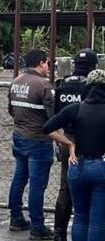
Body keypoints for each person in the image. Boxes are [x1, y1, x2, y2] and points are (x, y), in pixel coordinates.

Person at [43, 69, 105, 241]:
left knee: (80, 216)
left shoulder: (75, 108)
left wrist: (69, 143)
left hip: (77, 166)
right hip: (101, 166)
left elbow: (47, 128)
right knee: (98, 222)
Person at [6, 49, 55, 239]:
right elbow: (53, 116)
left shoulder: (16, 81)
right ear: (42, 63)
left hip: (19, 136)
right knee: (37, 185)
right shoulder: (43, 85)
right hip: (39, 140)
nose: (49, 67)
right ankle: (37, 226)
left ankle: (16, 217)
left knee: (19, 178)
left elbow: (11, 109)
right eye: (48, 63)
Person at [52, 48, 98, 241]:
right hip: (92, 139)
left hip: (68, 139)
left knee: (66, 187)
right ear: (94, 66)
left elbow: (55, 115)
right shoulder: (94, 87)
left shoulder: (62, 84)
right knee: (96, 185)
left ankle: (59, 233)